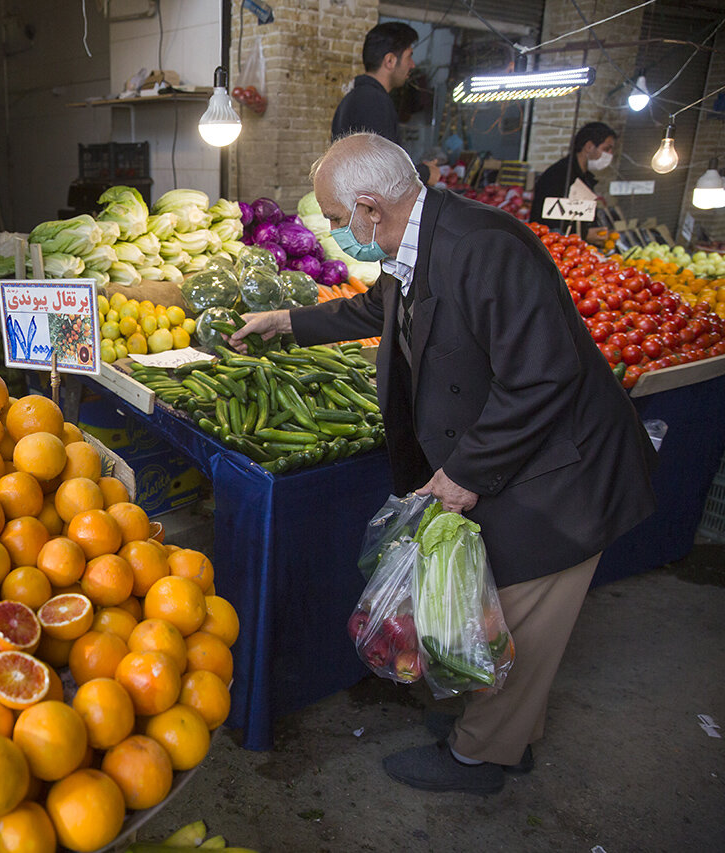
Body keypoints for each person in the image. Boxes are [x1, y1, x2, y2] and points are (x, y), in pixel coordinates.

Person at [231, 133, 657, 794]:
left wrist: (462, 474)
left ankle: (482, 757)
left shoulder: (482, 247)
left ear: (371, 207)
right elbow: (382, 306)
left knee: (519, 619)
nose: (338, 234)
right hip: (516, 459)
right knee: (505, 616)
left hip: (561, 473)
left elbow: (543, 378)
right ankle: (502, 729)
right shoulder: (416, 241)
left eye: (339, 220)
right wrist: (290, 321)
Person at [331, 22, 439, 185]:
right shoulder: (373, 101)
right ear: (390, 61)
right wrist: (425, 173)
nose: (412, 64)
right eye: (409, 56)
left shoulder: (356, 97)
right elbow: (382, 171)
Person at [530, 121, 617, 228]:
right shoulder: (559, 175)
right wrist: (586, 235)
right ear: (589, 147)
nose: (610, 155)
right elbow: (550, 218)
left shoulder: (586, 178)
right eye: (606, 149)